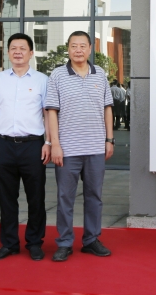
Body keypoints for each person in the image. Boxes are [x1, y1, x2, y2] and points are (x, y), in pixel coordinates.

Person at [46, 31, 115, 262]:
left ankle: (91, 240)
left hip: (95, 147)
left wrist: (109, 139)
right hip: (67, 149)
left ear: (90, 49)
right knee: (65, 197)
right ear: (68, 48)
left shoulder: (100, 74)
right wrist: (55, 144)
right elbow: (51, 111)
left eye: (82, 46)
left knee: (94, 196)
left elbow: (107, 108)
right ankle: (65, 242)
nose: (78, 50)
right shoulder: (57, 75)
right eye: (74, 45)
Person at [0, 33, 51, 261]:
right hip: (4, 145)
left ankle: (35, 243)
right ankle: (9, 243)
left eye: (22, 48)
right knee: (6, 198)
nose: (18, 52)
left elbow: (48, 114)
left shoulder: (42, 80)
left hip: (33, 146)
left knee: (36, 197)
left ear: (31, 53)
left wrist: (49, 142)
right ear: (8, 52)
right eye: (13, 48)